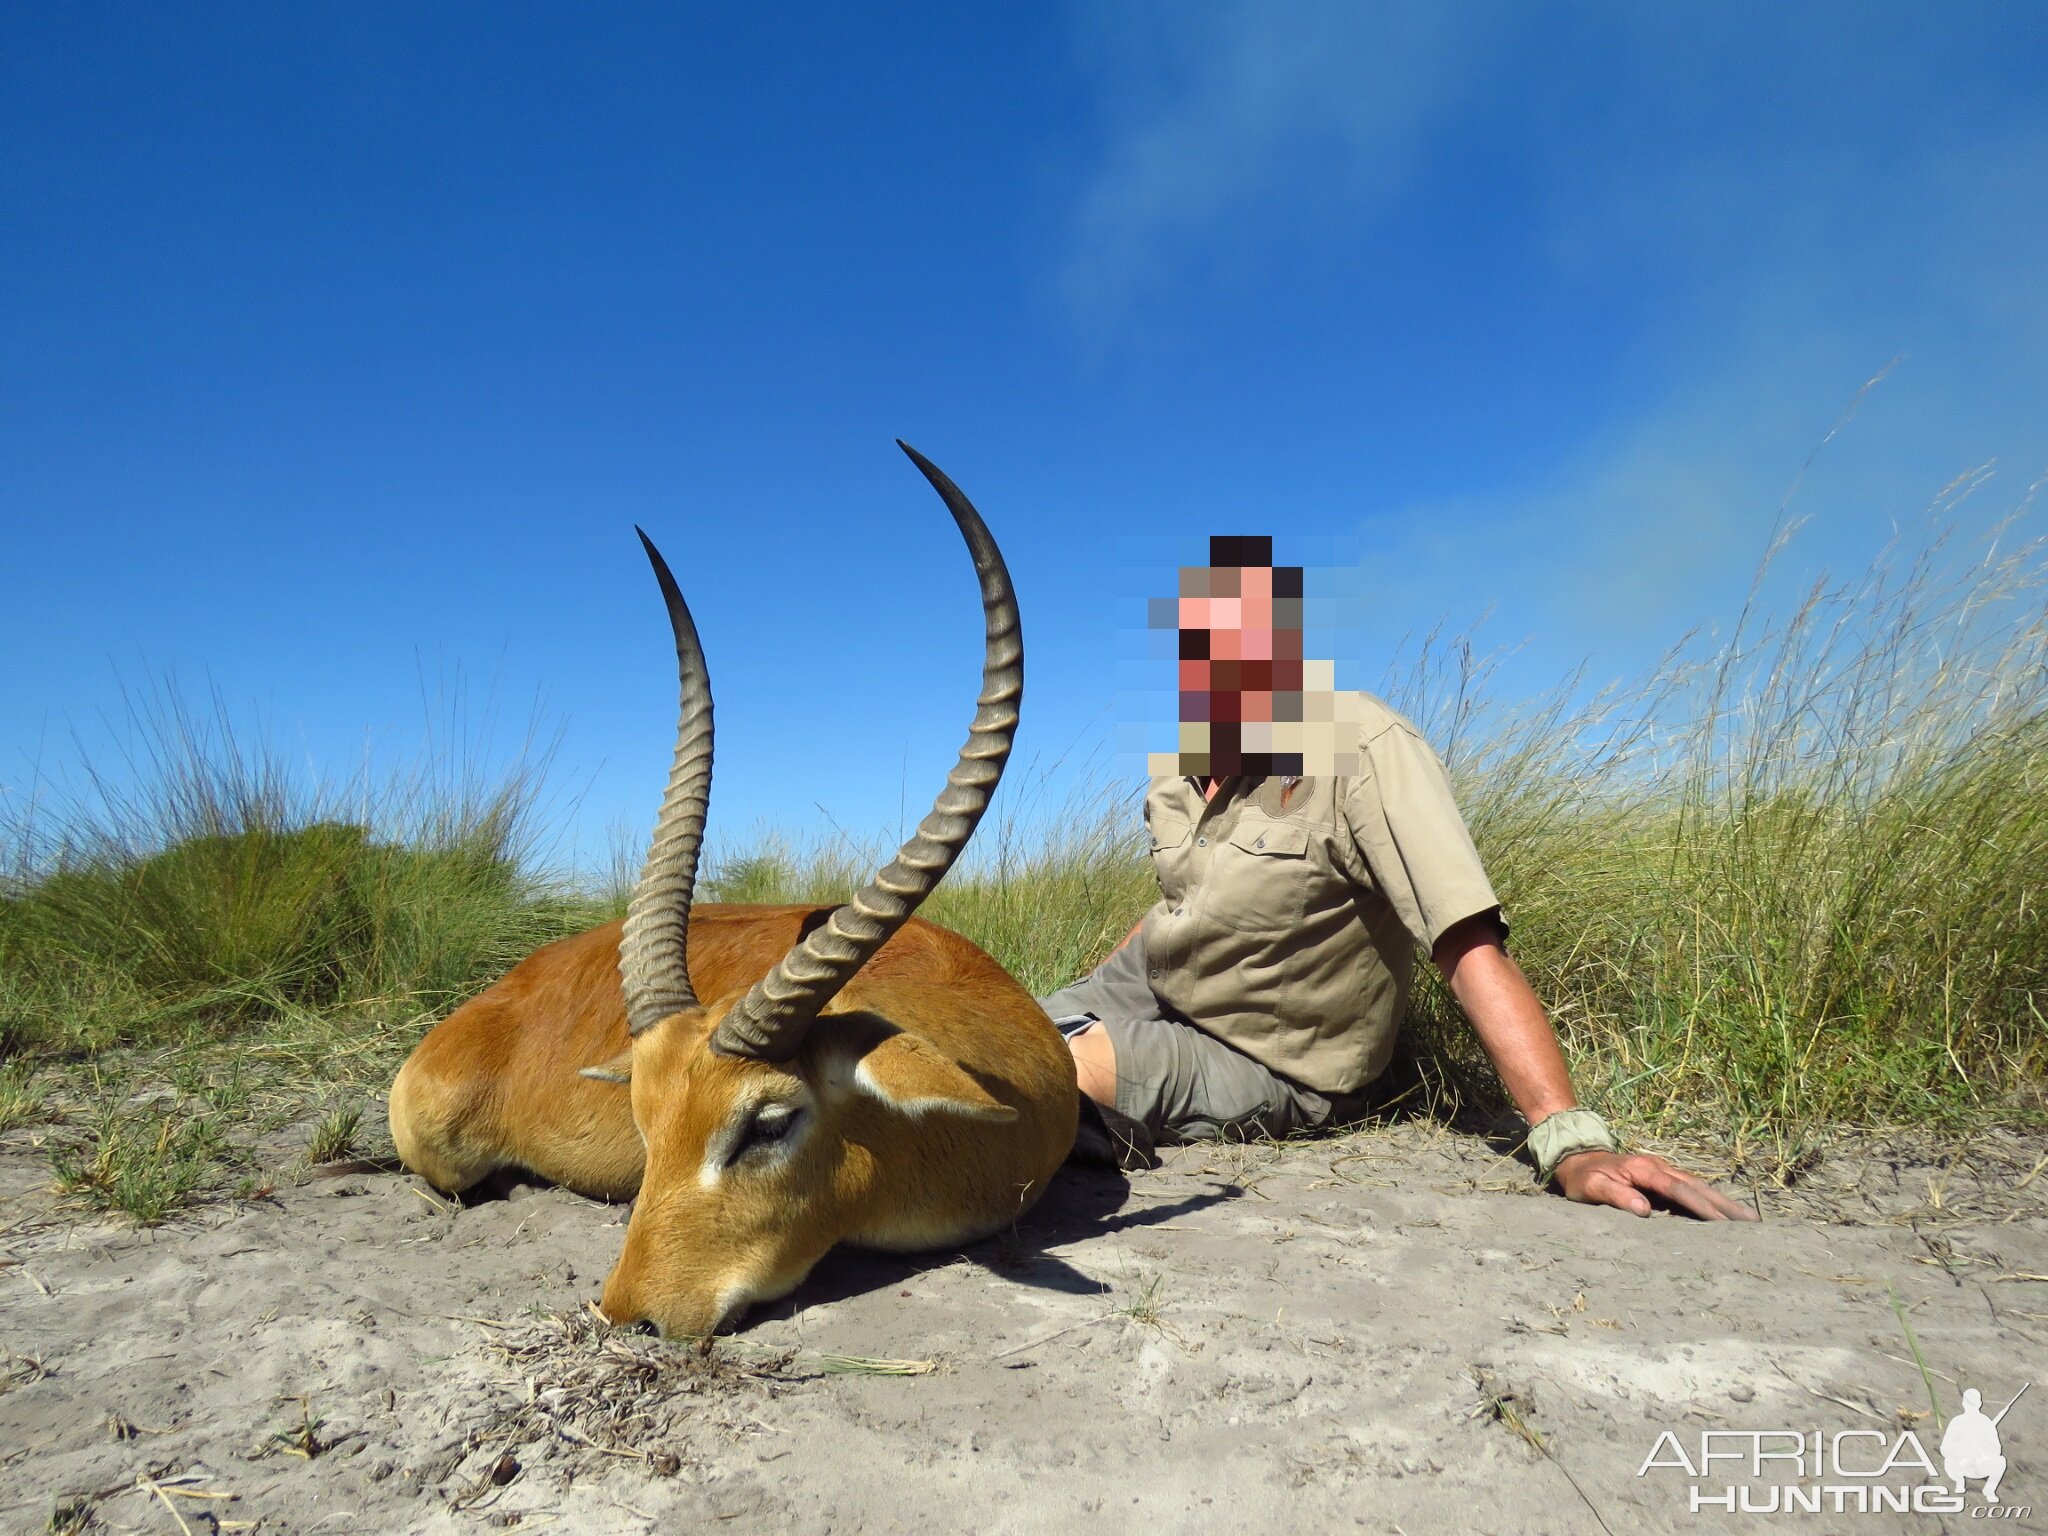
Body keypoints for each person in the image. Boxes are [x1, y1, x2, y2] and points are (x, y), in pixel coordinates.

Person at [1038, 536, 1756, 1221]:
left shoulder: (1361, 744)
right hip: (1159, 982)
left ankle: (1097, 1121)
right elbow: (1177, 902)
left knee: (1042, 1070)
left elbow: (1464, 939)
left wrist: (1571, 1140)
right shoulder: (1176, 768)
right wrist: (1100, 992)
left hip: (1265, 1054)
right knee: (993, 1026)